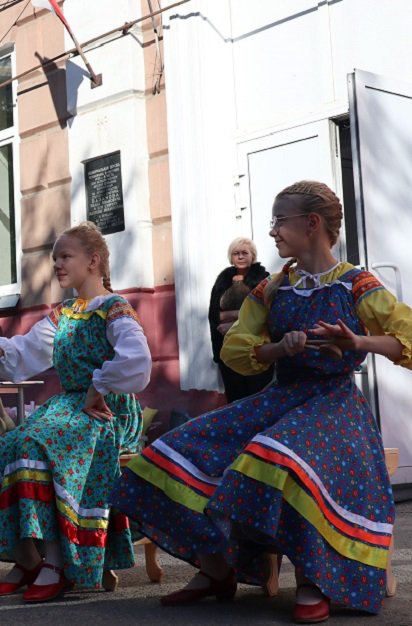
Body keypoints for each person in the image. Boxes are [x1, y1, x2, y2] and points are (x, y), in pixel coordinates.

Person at [113, 181, 412, 623]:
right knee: (167, 453)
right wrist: (279, 350)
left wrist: (356, 340)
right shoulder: (274, 286)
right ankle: (218, 567)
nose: (272, 231)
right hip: (279, 399)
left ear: (311, 225)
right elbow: (237, 347)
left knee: (277, 456)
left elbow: (405, 337)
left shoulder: (356, 283)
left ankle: (311, 578)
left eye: (279, 221)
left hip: (334, 407)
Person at [0, 222, 152, 603]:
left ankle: (58, 563)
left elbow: (137, 362)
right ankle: (28, 559)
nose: (57, 265)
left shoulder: (115, 309)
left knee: (36, 447)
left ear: (94, 261)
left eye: (65, 256)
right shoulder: (65, 313)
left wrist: (98, 385)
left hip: (106, 411)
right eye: (55, 259)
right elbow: (29, 348)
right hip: (71, 408)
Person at [208, 238, 273, 402]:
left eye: (245, 253)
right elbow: (214, 314)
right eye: (236, 253)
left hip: (256, 347)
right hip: (229, 348)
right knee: (235, 398)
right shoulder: (222, 280)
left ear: (253, 256)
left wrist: (232, 318)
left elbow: (267, 312)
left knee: (257, 398)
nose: (240, 257)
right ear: (231, 257)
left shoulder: (263, 279)